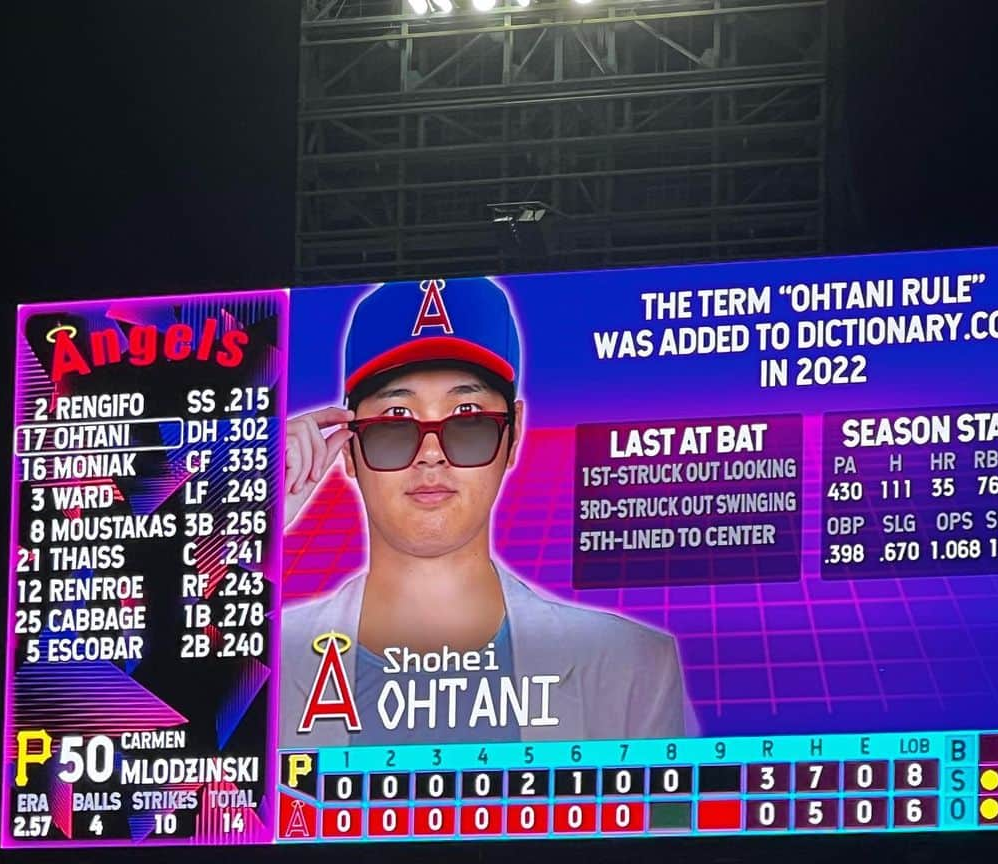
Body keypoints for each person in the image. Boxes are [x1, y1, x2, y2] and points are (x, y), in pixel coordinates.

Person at [280, 276, 691, 748]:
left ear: (513, 436)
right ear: (348, 450)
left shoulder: (632, 664)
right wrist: (252, 523)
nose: (431, 454)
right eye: (395, 423)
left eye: (469, 419)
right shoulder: (268, 659)